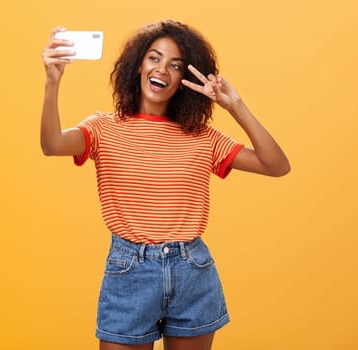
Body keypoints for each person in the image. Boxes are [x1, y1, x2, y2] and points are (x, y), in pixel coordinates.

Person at [39, 20, 290, 350]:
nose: (162, 70)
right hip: (129, 271)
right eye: (154, 58)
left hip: (192, 271)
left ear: (185, 80)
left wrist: (234, 105)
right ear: (138, 64)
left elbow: (277, 165)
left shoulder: (202, 138)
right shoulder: (103, 128)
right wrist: (52, 83)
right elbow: (52, 144)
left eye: (175, 65)